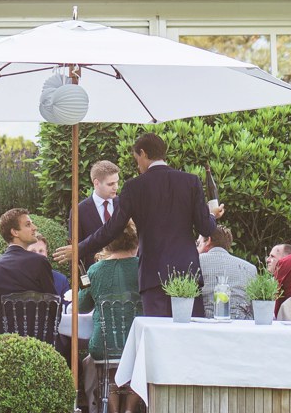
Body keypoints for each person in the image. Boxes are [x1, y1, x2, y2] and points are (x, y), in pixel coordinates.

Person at [65, 131, 221, 318]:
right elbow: (206, 228)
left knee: (156, 337)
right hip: (187, 273)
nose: (137, 164)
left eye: (136, 158)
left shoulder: (134, 187)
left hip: (153, 275)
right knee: (190, 336)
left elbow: (112, 228)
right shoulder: (191, 181)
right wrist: (212, 215)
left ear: (144, 153)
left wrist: (79, 248)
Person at [79, 221, 143, 413]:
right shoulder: (142, 266)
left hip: (104, 343)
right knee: (135, 368)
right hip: (136, 343)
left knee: (111, 372)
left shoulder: (95, 271)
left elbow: (82, 305)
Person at [0, 208, 58, 338]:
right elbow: (53, 306)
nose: (35, 227)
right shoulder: (39, 262)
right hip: (40, 345)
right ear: (15, 232)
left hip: (6, 345)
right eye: (28, 224)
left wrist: (5, 336)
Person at [197, 225, 257, 318]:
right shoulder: (250, 269)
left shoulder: (195, 262)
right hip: (241, 327)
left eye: (198, 244)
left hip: (202, 325)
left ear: (208, 240)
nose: (196, 248)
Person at [73, 159, 122, 243]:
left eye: (117, 182)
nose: (116, 187)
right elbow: (75, 249)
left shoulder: (124, 204)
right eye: (111, 184)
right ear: (96, 183)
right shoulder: (79, 211)